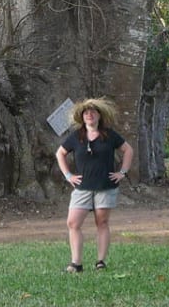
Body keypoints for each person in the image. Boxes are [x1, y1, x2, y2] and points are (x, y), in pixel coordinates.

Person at [55, 97, 134, 273]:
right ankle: (76, 263)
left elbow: (128, 150)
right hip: (82, 188)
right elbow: (60, 154)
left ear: (99, 115)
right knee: (73, 223)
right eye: (86, 112)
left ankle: (100, 261)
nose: (89, 114)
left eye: (93, 112)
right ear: (82, 117)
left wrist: (122, 172)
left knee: (102, 223)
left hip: (105, 186)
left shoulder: (109, 135)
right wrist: (68, 175)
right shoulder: (76, 136)